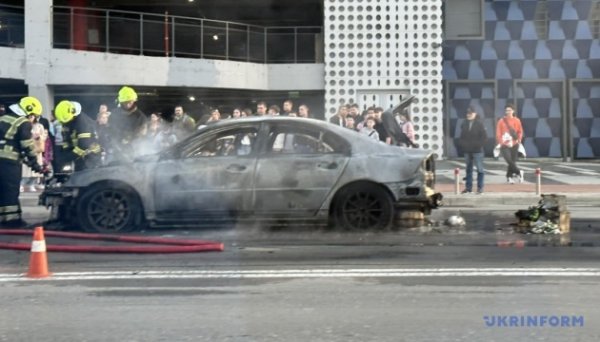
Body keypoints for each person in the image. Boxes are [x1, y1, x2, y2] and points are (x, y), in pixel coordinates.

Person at [0, 96, 48, 227]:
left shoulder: (3, 118)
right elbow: (27, 146)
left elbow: (12, 143)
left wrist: (30, 163)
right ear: (30, 113)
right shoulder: (22, 122)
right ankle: (12, 221)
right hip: (9, 163)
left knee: (1, 190)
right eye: (34, 117)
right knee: (10, 191)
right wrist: (36, 164)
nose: (33, 120)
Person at [54, 100, 102, 171]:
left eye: (65, 120)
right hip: (79, 158)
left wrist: (68, 157)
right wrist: (64, 153)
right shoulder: (67, 122)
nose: (64, 123)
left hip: (91, 158)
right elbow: (66, 140)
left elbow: (83, 145)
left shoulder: (83, 123)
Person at [109, 86, 147, 160]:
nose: (127, 104)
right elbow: (110, 130)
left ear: (134, 100)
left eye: (130, 101)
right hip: (116, 151)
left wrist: (129, 139)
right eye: (125, 102)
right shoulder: (114, 114)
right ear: (121, 101)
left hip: (134, 151)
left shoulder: (140, 117)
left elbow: (141, 134)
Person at [458, 108, 488, 194]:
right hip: (467, 150)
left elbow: (485, 138)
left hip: (477, 151)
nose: (468, 115)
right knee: (468, 169)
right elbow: (461, 136)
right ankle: (468, 188)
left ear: (475, 114)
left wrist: (478, 145)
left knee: (480, 169)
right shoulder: (464, 123)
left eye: (470, 113)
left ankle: (480, 188)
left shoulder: (480, 124)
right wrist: (462, 144)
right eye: (467, 113)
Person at [496, 104, 524, 184]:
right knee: (509, 160)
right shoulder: (501, 121)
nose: (508, 112)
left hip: (514, 144)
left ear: (513, 111)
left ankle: (509, 177)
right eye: (506, 110)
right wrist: (501, 142)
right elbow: (498, 133)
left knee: (512, 161)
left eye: (509, 110)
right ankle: (519, 172)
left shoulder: (517, 120)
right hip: (504, 144)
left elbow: (520, 131)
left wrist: (519, 139)